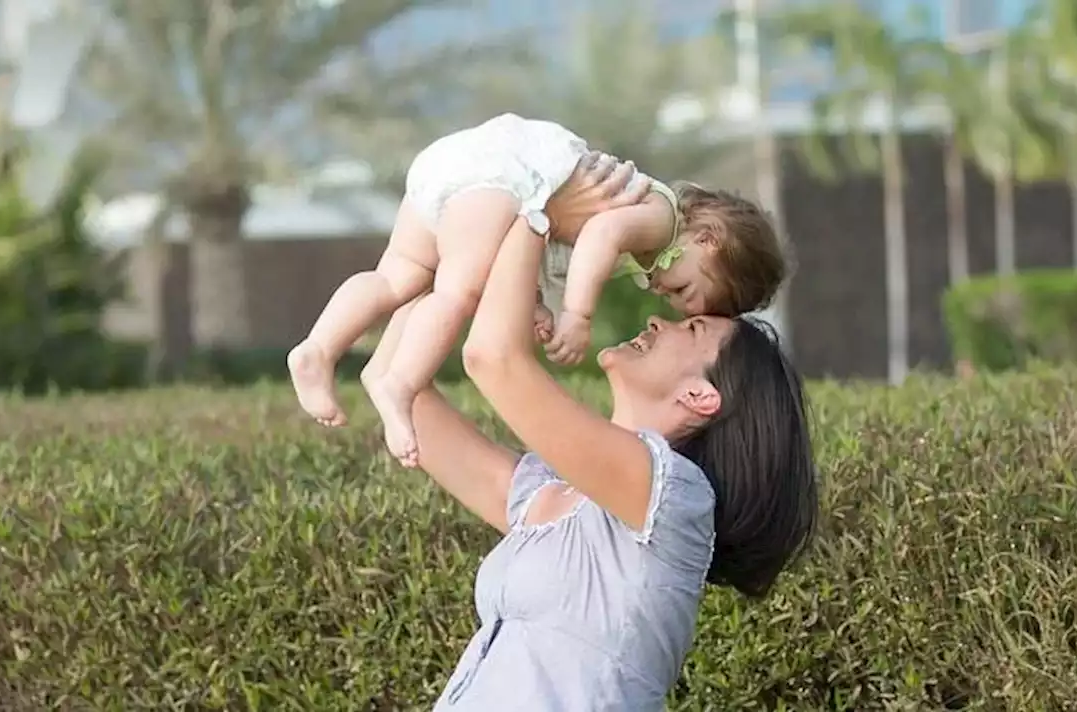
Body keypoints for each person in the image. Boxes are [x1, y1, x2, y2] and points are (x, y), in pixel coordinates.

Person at [360, 156, 818, 710]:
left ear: (701, 395)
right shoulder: (552, 496)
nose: (657, 320)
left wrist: (539, 206)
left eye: (690, 326)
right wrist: (458, 257)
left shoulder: (674, 497)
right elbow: (396, 388)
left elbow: (493, 359)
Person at [287, 113, 787, 468]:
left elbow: (543, 240)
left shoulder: (647, 239)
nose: (671, 302)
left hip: (460, 167)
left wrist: (535, 302)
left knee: (399, 276)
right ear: (708, 239)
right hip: (503, 177)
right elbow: (595, 233)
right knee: (458, 291)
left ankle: (318, 348)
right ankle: (399, 383)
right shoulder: (663, 220)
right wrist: (576, 315)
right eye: (689, 294)